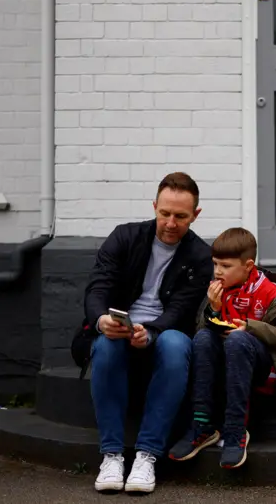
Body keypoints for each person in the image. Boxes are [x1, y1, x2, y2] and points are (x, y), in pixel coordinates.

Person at [84, 172, 213, 494]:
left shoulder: (199, 256)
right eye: (165, 213)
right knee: (106, 346)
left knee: (173, 346)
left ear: (195, 215)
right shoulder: (125, 237)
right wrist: (101, 320)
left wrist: (152, 332)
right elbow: (98, 286)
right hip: (118, 327)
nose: (171, 223)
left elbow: (180, 310)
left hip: (166, 332)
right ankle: (111, 454)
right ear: (155, 206)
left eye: (181, 216)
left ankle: (146, 455)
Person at [168, 227, 276, 469]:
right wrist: (213, 310)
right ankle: (202, 425)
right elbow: (201, 333)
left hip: (263, 363)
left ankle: (235, 430)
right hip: (226, 364)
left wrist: (251, 327)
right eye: (215, 264)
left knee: (238, 340)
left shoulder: (271, 291)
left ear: (248, 266)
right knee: (204, 337)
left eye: (225, 266)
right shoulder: (219, 289)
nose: (217, 271)